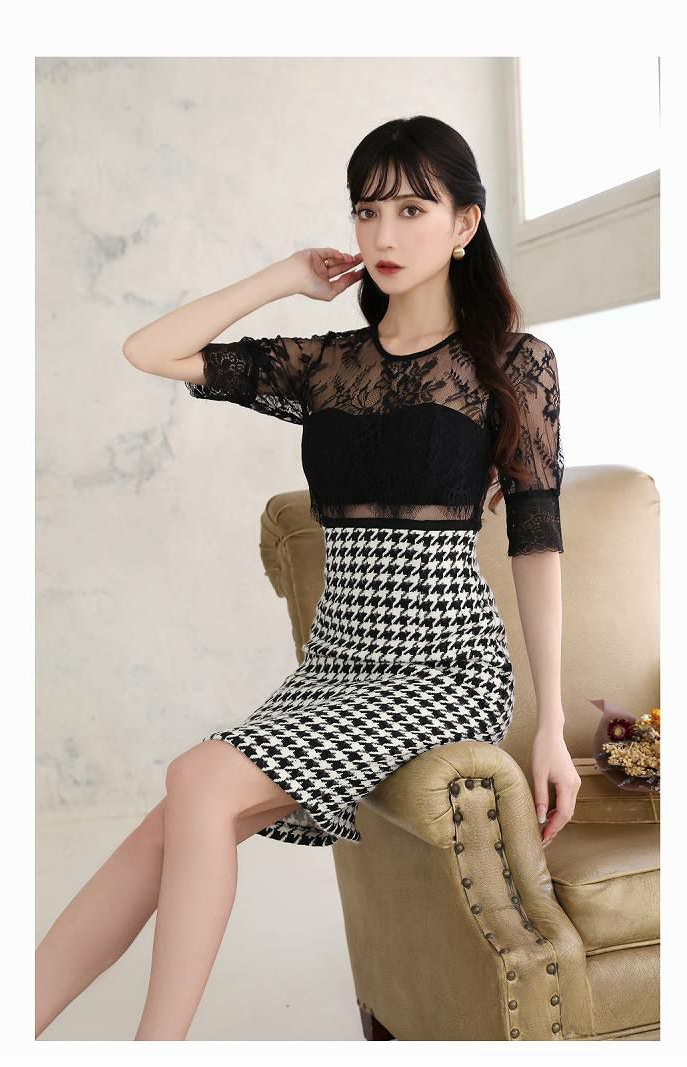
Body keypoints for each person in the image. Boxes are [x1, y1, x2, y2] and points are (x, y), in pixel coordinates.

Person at [35, 114, 581, 1041]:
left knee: (198, 776)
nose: (383, 232)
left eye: (412, 209)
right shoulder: (328, 364)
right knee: (178, 814)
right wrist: (284, 276)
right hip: (332, 667)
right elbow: (150, 350)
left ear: (465, 223)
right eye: (367, 210)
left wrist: (553, 724)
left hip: (442, 666)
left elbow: (536, 540)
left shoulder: (513, 366)